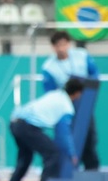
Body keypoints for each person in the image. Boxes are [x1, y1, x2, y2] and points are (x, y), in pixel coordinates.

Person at [7, 78, 86, 181]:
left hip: (14, 123)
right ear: (77, 93)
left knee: (26, 154)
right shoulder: (66, 107)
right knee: (53, 153)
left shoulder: (55, 94)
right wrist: (71, 153)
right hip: (28, 126)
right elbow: (64, 133)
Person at [41, 31, 100, 170]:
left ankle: (92, 170)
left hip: (84, 105)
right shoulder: (48, 67)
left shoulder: (82, 55)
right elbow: (50, 92)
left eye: (64, 44)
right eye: (58, 45)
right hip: (65, 107)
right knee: (66, 137)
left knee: (89, 137)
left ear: (69, 44)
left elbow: (95, 74)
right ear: (53, 47)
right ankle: (66, 171)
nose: (61, 48)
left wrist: (85, 92)